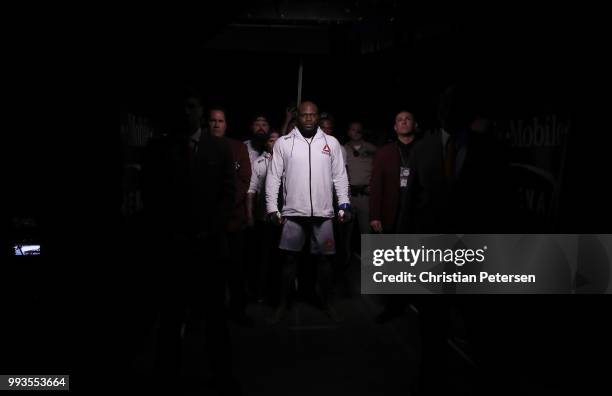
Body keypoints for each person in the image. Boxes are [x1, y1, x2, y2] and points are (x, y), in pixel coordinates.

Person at [144, 92, 239, 394]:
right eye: (181, 107)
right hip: (173, 246)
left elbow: (228, 193)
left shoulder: (220, 147)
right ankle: (166, 377)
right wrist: (168, 231)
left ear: (200, 110)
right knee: (171, 315)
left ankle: (222, 377)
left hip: (208, 245)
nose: (186, 113)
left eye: (192, 106)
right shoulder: (159, 148)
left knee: (215, 318)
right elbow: (152, 194)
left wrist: (211, 229)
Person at [265, 101, 351, 322]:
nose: (310, 119)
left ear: (317, 117)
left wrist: (344, 204)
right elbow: (273, 177)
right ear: (298, 118)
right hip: (293, 213)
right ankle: (283, 304)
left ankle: (328, 302)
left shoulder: (331, 143)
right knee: (289, 260)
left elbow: (340, 176)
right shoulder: (284, 143)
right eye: (305, 115)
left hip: (323, 214)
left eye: (313, 115)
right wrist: (271, 208)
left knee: (326, 261)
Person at [369, 110, 420, 323]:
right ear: (395, 127)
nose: (404, 122)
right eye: (399, 119)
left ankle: (418, 302)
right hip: (392, 212)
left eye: (408, 118)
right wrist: (375, 215)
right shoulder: (385, 152)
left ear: (415, 124)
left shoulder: (424, 148)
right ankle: (393, 305)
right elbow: (376, 185)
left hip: (417, 212)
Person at [208, 107, 254, 326]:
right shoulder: (200, 147)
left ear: (226, 124)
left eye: (220, 120)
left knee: (237, 270)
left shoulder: (238, 148)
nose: (217, 124)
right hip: (207, 222)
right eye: (213, 120)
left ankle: (238, 311)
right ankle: (212, 313)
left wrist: (225, 207)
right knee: (212, 272)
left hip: (233, 220)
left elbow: (244, 180)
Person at [246, 131, 281, 303]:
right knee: (263, 256)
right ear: (266, 143)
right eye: (271, 140)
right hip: (263, 217)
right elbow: (251, 191)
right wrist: (250, 215)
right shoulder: (259, 162)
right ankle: (261, 292)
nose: (273, 142)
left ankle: (280, 295)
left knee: (281, 257)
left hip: (283, 218)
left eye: (277, 139)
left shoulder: (288, 162)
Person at [343, 121, 377, 255]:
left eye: (358, 130)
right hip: (349, 195)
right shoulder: (342, 149)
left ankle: (368, 259)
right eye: (353, 129)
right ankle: (344, 260)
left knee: (366, 231)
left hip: (365, 196)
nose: (355, 132)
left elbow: (379, 168)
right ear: (348, 132)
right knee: (346, 230)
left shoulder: (372, 148)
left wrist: (373, 185)